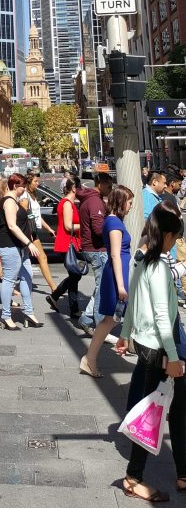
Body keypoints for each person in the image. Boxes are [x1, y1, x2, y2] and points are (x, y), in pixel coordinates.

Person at [116, 203, 186, 502]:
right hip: (157, 349)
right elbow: (161, 315)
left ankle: (182, 472)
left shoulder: (143, 260)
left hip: (148, 346)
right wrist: (172, 357)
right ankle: (133, 477)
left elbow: (132, 303)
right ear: (168, 235)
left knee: (175, 408)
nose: (176, 242)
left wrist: (123, 335)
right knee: (152, 415)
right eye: (176, 237)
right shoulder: (157, 266)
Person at [80, 186, 134, 378]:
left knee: (110, 320)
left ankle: (91, 358)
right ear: (120, 202)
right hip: (116, 276)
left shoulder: (114, 221)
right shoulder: (114, 223)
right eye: (129, 203)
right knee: (109, 320)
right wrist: (120, 285)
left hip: (117, 275)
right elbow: (115, 255)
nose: (130, 207)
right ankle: (90, 358)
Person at [0, 174, 42, 330]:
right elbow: (12, 225)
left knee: (28, 275)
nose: (24, 189)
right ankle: (6, 316)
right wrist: (29, 243)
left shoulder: (13, 200)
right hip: (9, 245)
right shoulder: (8, 201)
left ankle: (29, 312)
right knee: (9, 279)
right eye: (22, 186)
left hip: (19, 246)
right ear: (15, 186)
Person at [77, 172, 113, 336]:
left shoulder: (90, 199)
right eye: (110, 186)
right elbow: (98, 229)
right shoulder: (95, 202)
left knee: (100, 287)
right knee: (102, 288)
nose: (111, 190)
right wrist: (112, 229)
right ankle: (100, 325)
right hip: (97, 249)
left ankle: (86, 319)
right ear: (102, 184)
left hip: (92, 248)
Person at [47, 177, 82, 318]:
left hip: (69, 243)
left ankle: (56, 297)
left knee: (74, 276)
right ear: (74, 188)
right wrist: (85, 226)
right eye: (79, 187)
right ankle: (73, 309)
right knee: (75, 275)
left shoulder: (67, 202)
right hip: (67, 243)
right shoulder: (67, 203)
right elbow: (68, 226)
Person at [20, 172, 57, 295]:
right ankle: (54, 288)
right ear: (29, 183)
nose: (38, 183)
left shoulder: (33, 195)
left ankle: (5, 279)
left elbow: (36, 216)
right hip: (29, 233)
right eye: (35, 181)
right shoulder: (25, 197)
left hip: (33, 231)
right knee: (42, 257)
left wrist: (48, 229)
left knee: (23, 260)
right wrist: (28, 235)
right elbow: (23, 217)